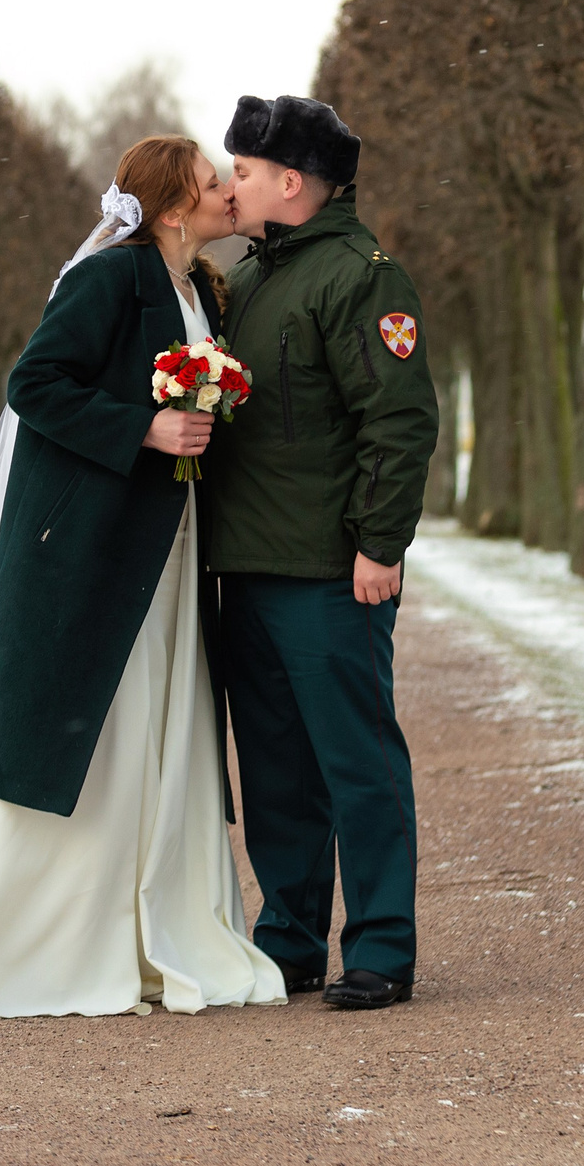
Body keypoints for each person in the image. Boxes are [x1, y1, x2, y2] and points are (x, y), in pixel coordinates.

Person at [0, 135, 285, 1020]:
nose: (229, 192)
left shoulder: (199, 290)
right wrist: (144, 429)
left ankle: (154, 930)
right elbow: (34, 381)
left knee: (156, 721)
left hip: (171, 548)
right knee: (95, 729)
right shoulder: (112, 276)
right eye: (210, 183)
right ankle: (36, 946)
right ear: (172, 207)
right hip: (95, 553)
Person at [202, 94, 440, 1011]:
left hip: (331, 575)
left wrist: (381, 542)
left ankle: (380, 948)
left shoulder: (361, 277)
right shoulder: (254, 278)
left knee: (357, 762)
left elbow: (400, 418)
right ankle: (289, 940)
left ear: (290, 182)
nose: (234, 187)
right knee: (273, 769)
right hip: (249, 568)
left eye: (247, 173)